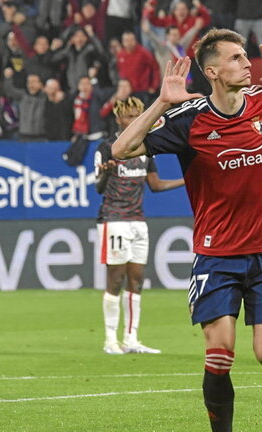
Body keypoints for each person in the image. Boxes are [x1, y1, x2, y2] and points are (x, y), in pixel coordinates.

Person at [111, 30, 262, 431]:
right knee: (220, 353)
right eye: (236, 58)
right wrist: (161, 100)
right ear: (212, 71)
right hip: (216, 256)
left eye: (246, 57)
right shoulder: (188, 121)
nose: (248, 64)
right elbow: (121, 149)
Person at [95, 96, 185, 355]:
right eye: (129, 116)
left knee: (136, 280)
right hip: (114, 219)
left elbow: (155, 186)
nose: (134, 120)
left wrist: (187, 179)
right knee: (115, 279)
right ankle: (110, 340)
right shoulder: (107, 147)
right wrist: (107, 172)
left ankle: (131, 339)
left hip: (138, 221)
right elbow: (97, 186)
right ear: (118, 118)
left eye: (138, 115)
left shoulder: (146, 148)